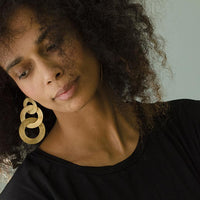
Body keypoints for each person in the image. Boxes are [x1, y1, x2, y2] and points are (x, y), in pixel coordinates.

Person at [0, 0, 199, 199]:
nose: (49, 73)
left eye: (52, 44)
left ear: (88, 28)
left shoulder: (191, 124)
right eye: (24, 72)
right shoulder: (29, 194)